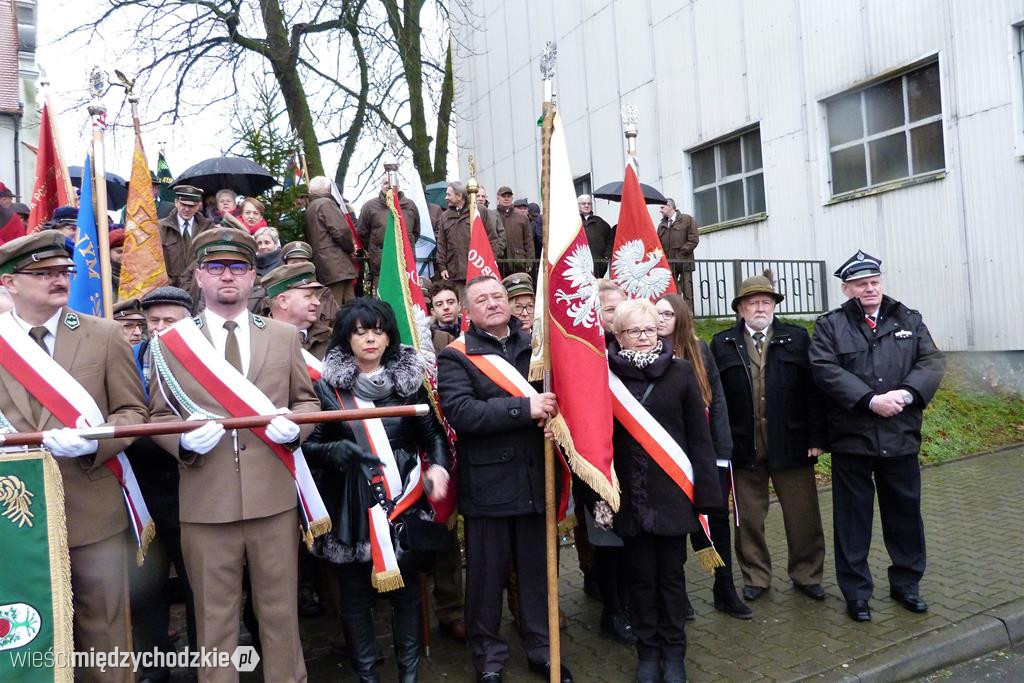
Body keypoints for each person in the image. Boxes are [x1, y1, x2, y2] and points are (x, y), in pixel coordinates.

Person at [147, 227, 321, 682]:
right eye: (216, 266)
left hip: (272, 498)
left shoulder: (283, 337)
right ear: (199, 276)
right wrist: (181, 441)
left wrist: (295, 430)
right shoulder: (170, 342)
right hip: (206, 500)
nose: (228, 275)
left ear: (252, 279)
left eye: (239, 266)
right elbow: (156, 414)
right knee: (213, 621)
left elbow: (307, 403)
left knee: (280, 614)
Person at [0, 231, 148, 682]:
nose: (58, 279)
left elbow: (133, 412)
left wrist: (95, 442)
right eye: (42, 273)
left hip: (92, 507)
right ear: (8, 283)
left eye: (63, 271)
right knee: (26, 632)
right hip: (15, 516)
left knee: (105, 633)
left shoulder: (103, 335)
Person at [302, 298, 452, 682]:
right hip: (353, 502)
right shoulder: (328, 390)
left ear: (389, 337)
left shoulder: (408, 384)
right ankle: (368, 674)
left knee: (407, 594)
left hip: (404, 497)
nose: (370, 338)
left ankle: (409, 675)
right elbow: (309, 447)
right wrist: (333, 450)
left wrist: (438, 469)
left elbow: (432, 432)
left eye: (378, 330)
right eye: (360, 331)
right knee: (355, 597)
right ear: (346, 338)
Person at [438, 275, 573, 683]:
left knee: (536, 574)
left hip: (536, 479)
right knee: (485, 579)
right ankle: (489, 658)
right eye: (483, 299)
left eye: (499, 296)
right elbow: (462, 414)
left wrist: (558, 422)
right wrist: (523, 408)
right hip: (488, 487)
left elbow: (561, 398)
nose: (494, 303)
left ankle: (542, 648)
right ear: (468, 311)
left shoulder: (538, 347)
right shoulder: (456, 356)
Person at [809, 251, 945, 622]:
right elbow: (823, 369)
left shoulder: (908, 318)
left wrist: (905, 395)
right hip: (853, 438)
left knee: (904, 516)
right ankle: (856, 593)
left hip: (900, 434)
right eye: (861, 284)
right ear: (847, 288)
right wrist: (869, 400)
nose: (870, 289)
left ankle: (907, 585)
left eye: (875, 282)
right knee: (852, 521)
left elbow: (931, 361)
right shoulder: (831, 325)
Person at [607, 298, 721, 683]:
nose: (643, 337)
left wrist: (707, 496)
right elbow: (597, 442)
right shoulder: (606, 377)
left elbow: (700, 440)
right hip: (630, 500)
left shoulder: (682, 372)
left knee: (672, 580)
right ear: (618, 335)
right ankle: (647, 653)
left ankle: (674, 653)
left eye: (650, 329)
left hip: (674, 497)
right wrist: (599, 498)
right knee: (639, 581)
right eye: (634, 331)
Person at [710, 275, 828, 607]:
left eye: (766, 302)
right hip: (743, 446)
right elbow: (715, 398)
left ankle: (807, 575)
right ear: (740, 308)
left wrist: (817, 436)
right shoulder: (723, 343)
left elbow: (814, 390)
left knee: (803, 515)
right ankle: (756, 577)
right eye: (753, 302)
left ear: (774, 306)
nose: (760, 308)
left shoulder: (797, 337)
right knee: (747, 518)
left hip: (792, 443)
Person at [656, 293, 753, 620]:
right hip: (669, 456)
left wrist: (722, 451)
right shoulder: (648, 354)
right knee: (676, 526)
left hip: (706, 453)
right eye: (656, 314)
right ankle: (678, 597)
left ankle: (724, 589)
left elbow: (718, 400)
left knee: (717, 523)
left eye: (668, 314)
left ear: (681, 317)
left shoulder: (700, 351)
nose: (660, 320)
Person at [128, 285, 198, 682]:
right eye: (151, 321)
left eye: (169, 321)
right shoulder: (129, 358)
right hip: (140, 489)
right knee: (147, 588)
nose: (157, 329)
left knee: (196, 585)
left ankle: (205, 660)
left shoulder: (205, 364)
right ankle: (154, 666)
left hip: (190, 487)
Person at [357, 175, 421, 293]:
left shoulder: (410, 206)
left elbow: (416, 232)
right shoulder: (369, 207)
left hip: (406, 264)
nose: (389, 186)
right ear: (381, 186)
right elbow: (362, 233)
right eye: (386, 183)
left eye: (392, 183)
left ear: (398, 186)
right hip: (381, 264)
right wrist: (376, 248)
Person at [435, 181, 503, 288]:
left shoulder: (480, 211)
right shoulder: (445, 216)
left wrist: (489, 263)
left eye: (449, 194)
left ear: (459, 196)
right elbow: (441, 244)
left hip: (479, 270)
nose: (446, 198)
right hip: (455, 274)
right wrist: (442, 267)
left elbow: (492, 239)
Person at [305, 175, 358, 305]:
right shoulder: (325, 203)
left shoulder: (310, 207)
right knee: (340, 307)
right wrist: (350, 248)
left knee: (340, 305)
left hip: (324, 263)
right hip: (336, 262)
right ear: (328, 188)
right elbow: (341, 231)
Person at [262, 262, 331, 359]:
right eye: (308, 296)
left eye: (315, 296)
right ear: (283, 301)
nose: (317, 302)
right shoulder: (256, 341)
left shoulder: (333, 339)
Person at [157, 184, 213, 295]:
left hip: (197, 289)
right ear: (176, 203)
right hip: (169, 290)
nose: (187, 209)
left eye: (191, 206)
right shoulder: (160, 228)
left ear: (198, 206)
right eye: (183, 204)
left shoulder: (208, 228)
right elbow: (155, 261)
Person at [657, 199, 700, 310]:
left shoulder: (686, 219)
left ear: (670, 206)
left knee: (687, 290)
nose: (660, 210)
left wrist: (681, 254)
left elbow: (694, 239)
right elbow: (658, 245)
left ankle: (689, 315)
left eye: (662, 207)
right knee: (672, 290)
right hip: (669, 263)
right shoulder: (661, 225)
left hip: (684, 260)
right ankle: (675, 313)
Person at [496, 187, 534, 275]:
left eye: (508, 196)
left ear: (512, 198)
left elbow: (529, 241)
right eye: (503, 196)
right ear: (498, 198)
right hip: (499, 262)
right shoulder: (492, 215)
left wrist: (529, 262)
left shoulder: (522, 217)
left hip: (519, 263)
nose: (506, 198)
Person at [579, 195, 612, 276]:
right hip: (579, 264)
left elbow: (610, 239)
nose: (586, 205)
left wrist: (606, 257)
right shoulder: (573, 221)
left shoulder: (599, 222)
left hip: (598, 265)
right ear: (578, 205)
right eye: (583, 203)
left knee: (597, 287)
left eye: (589, 203)